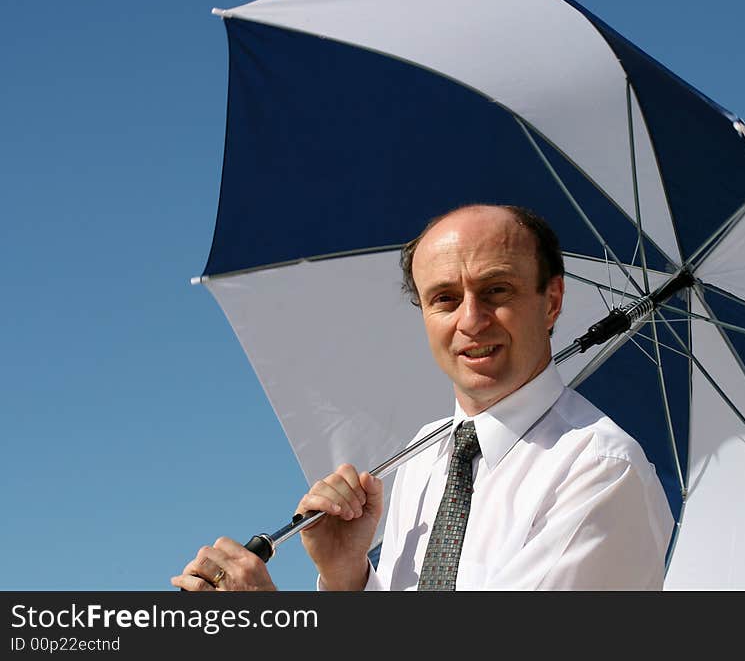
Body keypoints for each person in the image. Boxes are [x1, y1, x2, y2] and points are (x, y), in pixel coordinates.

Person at [172, 204, 673, 592]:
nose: (471, 321)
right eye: (445, 299)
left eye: (496, 290)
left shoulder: (601, 469)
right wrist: (348, 577)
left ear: (553, 302)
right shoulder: (425, 454)